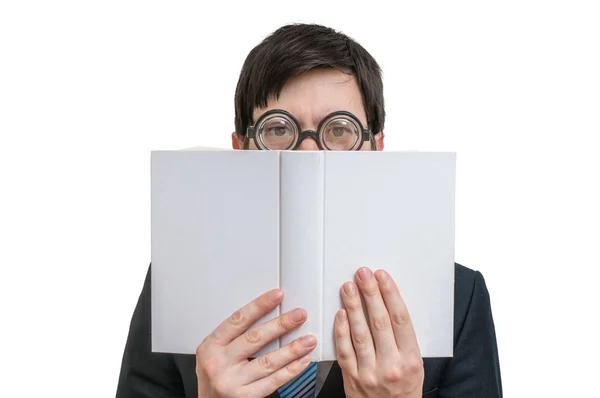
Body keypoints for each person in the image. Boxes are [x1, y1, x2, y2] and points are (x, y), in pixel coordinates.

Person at [116, 23, 502, 398]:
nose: (308, 155)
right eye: (278, 129)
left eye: (338, 130)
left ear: (377, 147)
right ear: (240, 148)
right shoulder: (175, 284)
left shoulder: (459, 297)